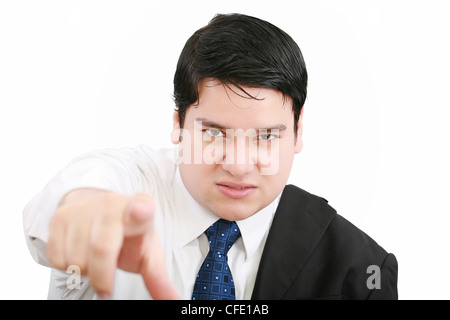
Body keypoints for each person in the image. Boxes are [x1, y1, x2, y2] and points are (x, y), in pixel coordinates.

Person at [23, 13, 398, 300]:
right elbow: (84, 187)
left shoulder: (359, 269)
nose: (237, 164)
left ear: (298, 132)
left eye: (266, 136)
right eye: (214, 132)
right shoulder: (134, 187)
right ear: (178, 124)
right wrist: (82, 209)